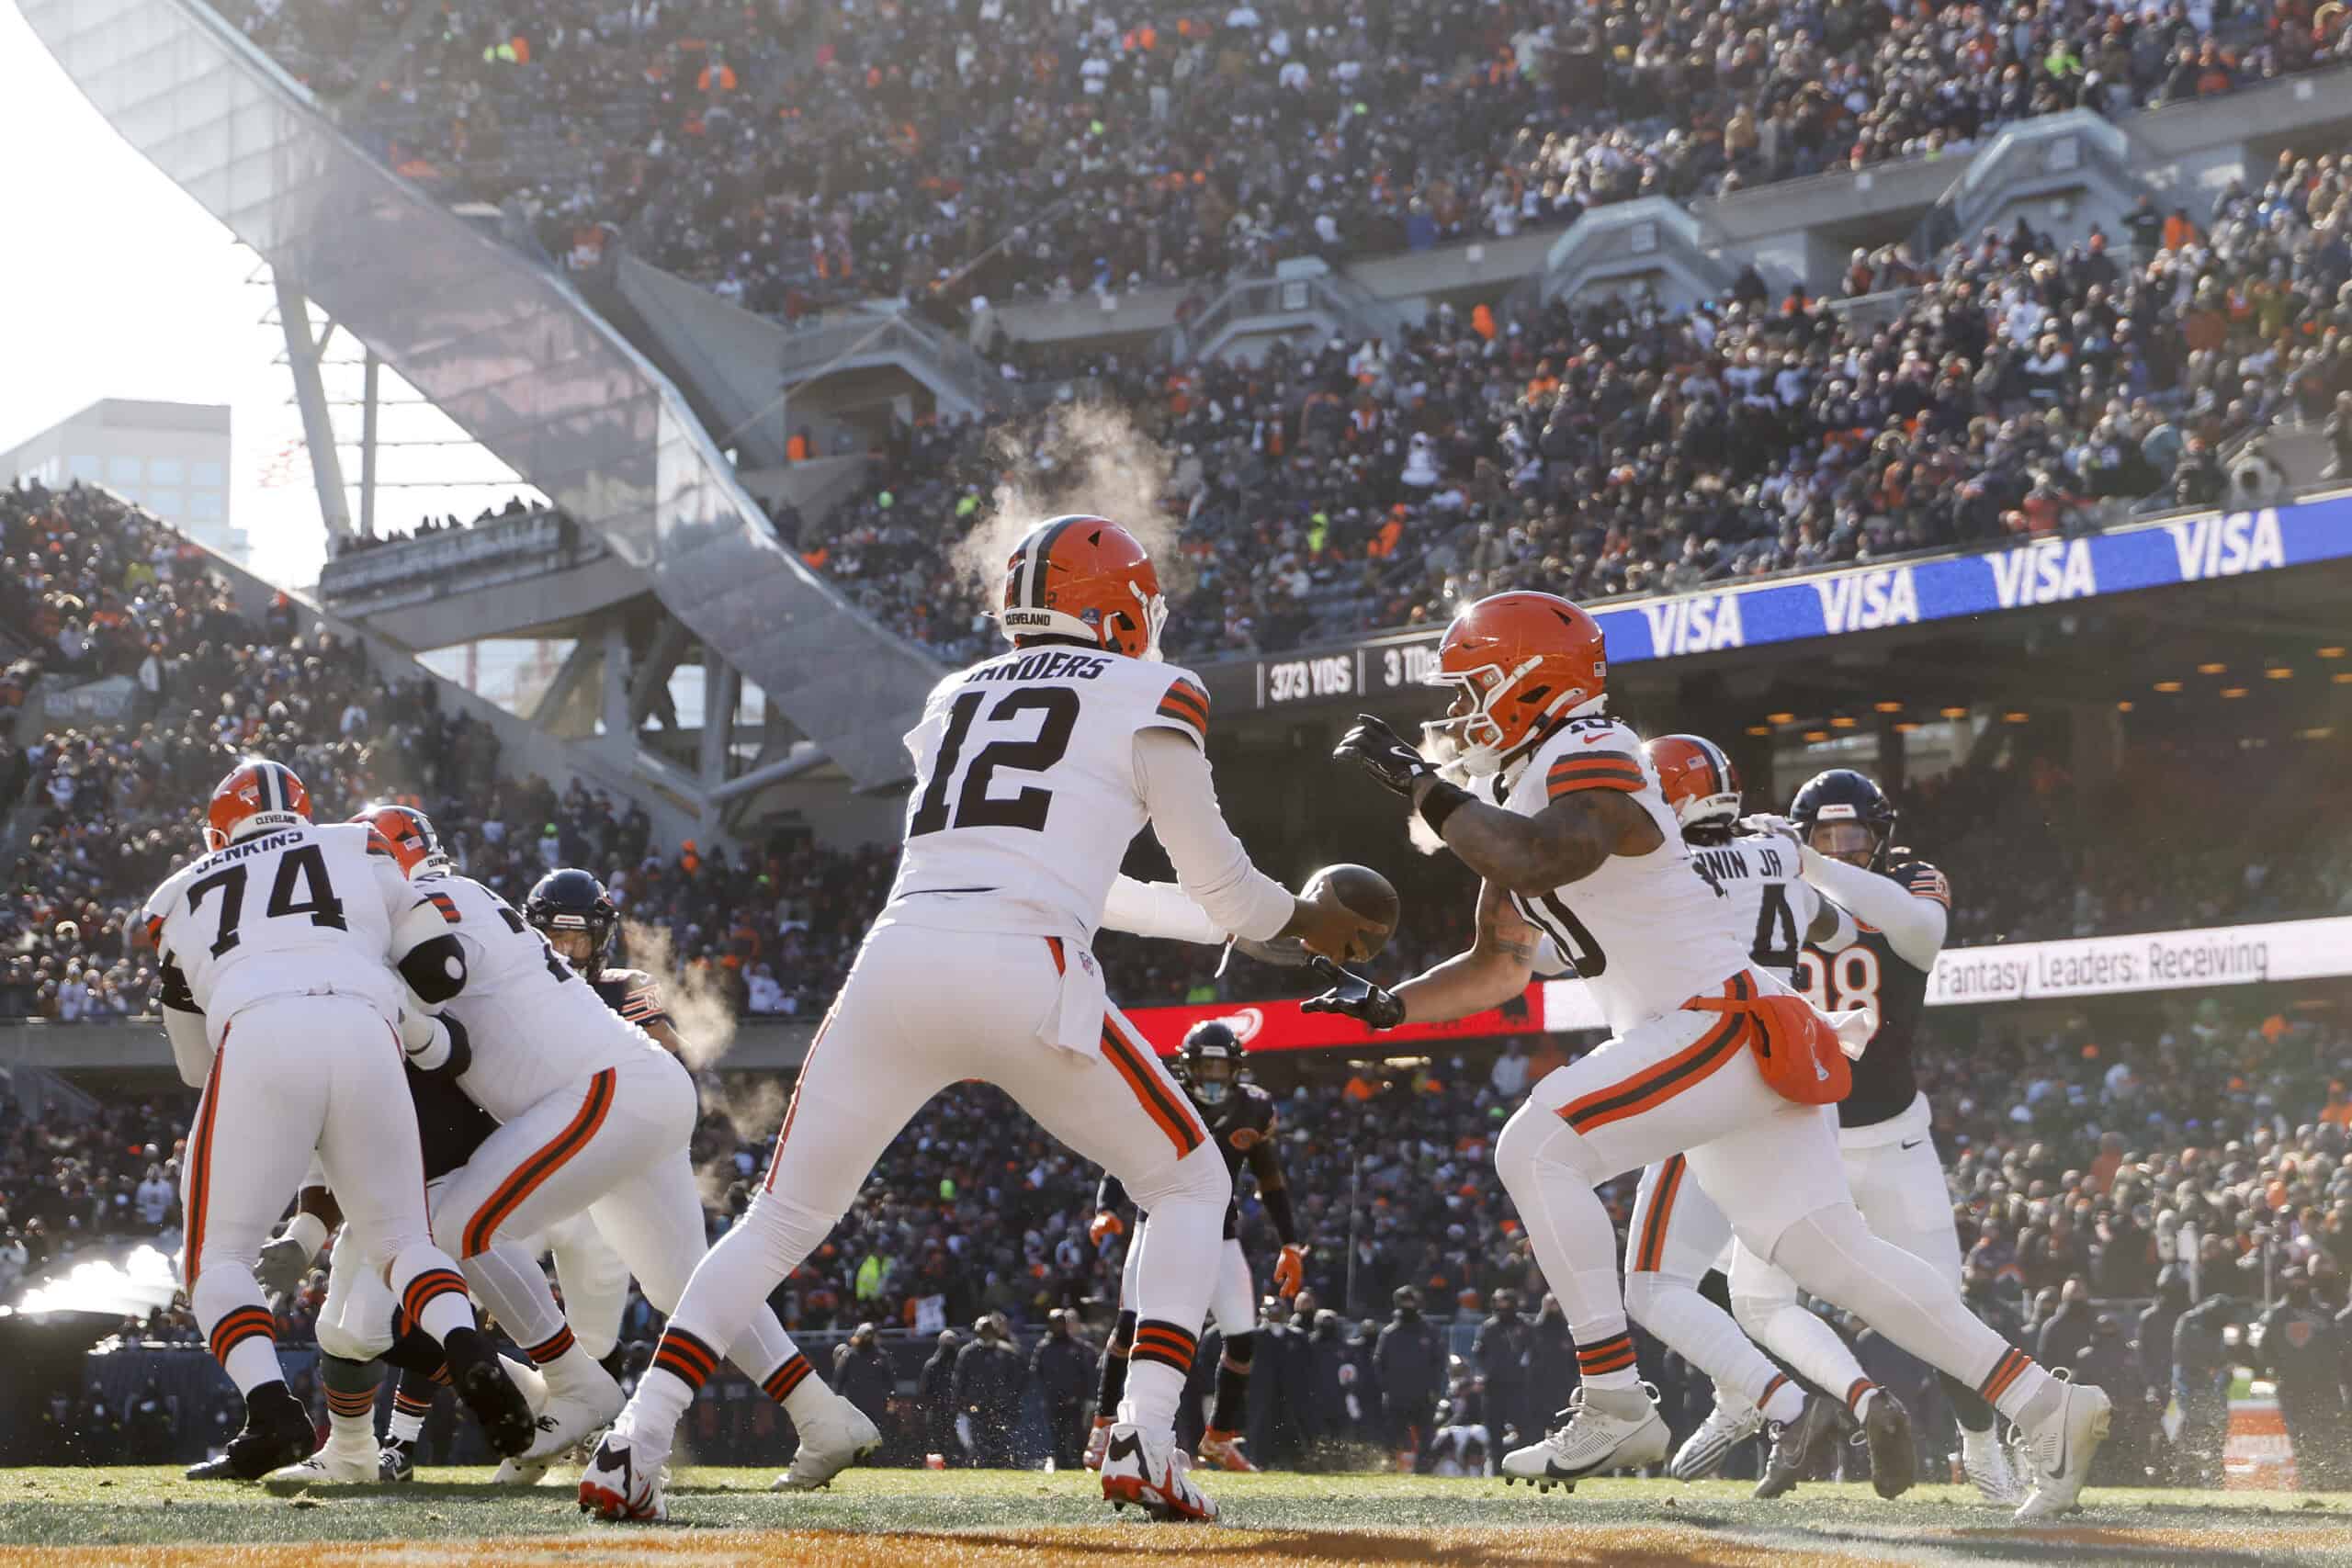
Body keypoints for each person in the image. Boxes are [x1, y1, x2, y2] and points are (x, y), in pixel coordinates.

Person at [582, 515, 1377, 1525]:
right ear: (1119, 611)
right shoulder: (1153, 689)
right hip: (1025, 963)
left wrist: (1243, 925)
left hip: (898, 958)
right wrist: (1301, 925)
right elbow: (1224, 888)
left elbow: (1084, 876)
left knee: (778, 1217)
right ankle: (1145, 1437)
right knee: (1189, 1180)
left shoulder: (955, 694)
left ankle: (632, 1443)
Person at [1307, 592, 2109, 1520]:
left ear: (1535, 680)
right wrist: (1388, 1004)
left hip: (1713, 1020)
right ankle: (2045, 1406)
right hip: (1737, 1031)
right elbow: (1499, 966)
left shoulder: (1591, 748)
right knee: (1832, 1256)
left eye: (1478, 683)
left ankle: (1614, 1399)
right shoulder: (1519, 788)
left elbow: (1541, 858)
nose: (1462, 707)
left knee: (1535, 1148)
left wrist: (1420, 781)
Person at [378, 833, 874, 1486]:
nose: (571, 947)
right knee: (683, 1284)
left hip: (601, 1096)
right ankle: (820, 1412)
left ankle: (571, 1383)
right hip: (633, 1098)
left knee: (453, 1226)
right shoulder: (480, 911)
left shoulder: (431, 917)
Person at [141, 761, 533, 1480]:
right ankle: (467, 1344)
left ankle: (272, 1413)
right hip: (366, 1027)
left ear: (217, 829)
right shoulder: (360, 848)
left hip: (259, 1032)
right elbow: (441, 967)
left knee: (215, 1259)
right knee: (403, 1240)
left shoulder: (182, 891)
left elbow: (195, 1067)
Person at [1613, 736, 1911, 1501]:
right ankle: (1847, 1396)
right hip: (1793, 1076)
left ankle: (1780, 1403)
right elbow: (1842, 933)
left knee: (1652, 1283)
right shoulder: (1775, 853)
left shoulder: (1668, 873)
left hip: (1713, 1075)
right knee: (1758, 1292)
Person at [1739, 768, 2022, 1502]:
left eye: (1853, 835)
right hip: (1804, 1132)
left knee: (1941, 1309)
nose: (1840, 847)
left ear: (1881, 835)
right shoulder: (1776, 883)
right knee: (1752, 1291)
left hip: (1894, 1132)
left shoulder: (1910, 881)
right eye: (1824, 835)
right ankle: (1774, 1412)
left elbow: (1920, 931)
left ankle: (1983, 1449)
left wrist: (1807, 859)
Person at [1085, 1021, 1309, 1474]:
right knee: (1131, 1325)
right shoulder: (1170, 1097)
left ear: (1235, 1068)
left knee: (1243, 1338)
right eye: (1203, 1065)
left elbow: (1270, 1180)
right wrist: (1106, 1207)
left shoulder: (1254, 1107)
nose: (1211, 1075)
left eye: (1219, 1065)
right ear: (1187, 1066)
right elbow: (1123, 1158)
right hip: (1157, 1226)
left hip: (1220, 1234)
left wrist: (1290, 1242)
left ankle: (1219, 1439)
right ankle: (1104, 1426)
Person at [2254, 1267, 2349, 1490]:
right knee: (2301, 1438)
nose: (2299, 1287)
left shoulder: (2324, 1313)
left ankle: (2332, 1483)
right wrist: (2276, 1371)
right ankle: (2310, 1483)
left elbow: (2339, 1348)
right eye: (2294, 1283)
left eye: (2302, 1282)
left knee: (2328, 1435)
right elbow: (2262, 1351)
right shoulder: (2275, 1316)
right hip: (2292, 1388)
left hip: (2324, 1388)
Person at [1374, 1286, 1445, 1471]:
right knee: (1392, 1436)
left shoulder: (1429, 1331)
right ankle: (1389, 1467)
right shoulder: (1389, 1333)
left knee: (1425, 1436)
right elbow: (1379, 1362)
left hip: (1423, 1395)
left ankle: (1422, 1470)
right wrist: (1387, 1388)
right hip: (1397, 1395)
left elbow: (1439, 1362)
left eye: (1410, 1300)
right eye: (1404, 1300)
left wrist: (1434, 1389)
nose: (1407, 1304)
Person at [953, 1314, 1025, 1467]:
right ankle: (982, 1466)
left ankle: (1004, 1467)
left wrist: (1009, 1400)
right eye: (981, 1331)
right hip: (977, 1407)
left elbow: (1019, 1381)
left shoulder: (1008, 1353)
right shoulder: (968, 1353)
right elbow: (959, 1380)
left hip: (1003, 1407)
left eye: (987, 1330)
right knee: (980, 1442)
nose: (984, 1334)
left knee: (1003, 1441)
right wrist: (962, 1403)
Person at [1033, 1309, 1094, 1472]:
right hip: (1053, 1401)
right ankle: (1061, 1465)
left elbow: (1086, 1373)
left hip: (1074, 1401)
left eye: (1060, 1323)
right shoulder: (1043, 1347)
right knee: (1056, 1435)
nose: (1058, 1326)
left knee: (1077, 1435)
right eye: (1054, 1323)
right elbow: (1036, 1373)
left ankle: (1080, 1465)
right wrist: (1047, 1394)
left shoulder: (1078, 1346)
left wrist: (1082, 1395)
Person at [1473, 1289, 1535, 1451]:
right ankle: (1496, 1468)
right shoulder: (1489, 1327)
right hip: (1494, 1386)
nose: (1502, 1308)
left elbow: (1535, 1352)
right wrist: (1483, 1373)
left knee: (1524, 1428)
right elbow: (1479, 1353)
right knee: (1493, 1430)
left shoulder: (1525, 1325)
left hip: (1518, 1385)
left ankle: (1523, 1464)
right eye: (1498, 1303)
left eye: (1505, 1303)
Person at [921, 1330, 961, 1463]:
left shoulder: (960, 1364)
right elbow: (925, 1390)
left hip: (959, 1411)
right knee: (938, 1442)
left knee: (959, 1441)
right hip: (938, 1410)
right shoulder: (932, 1365)